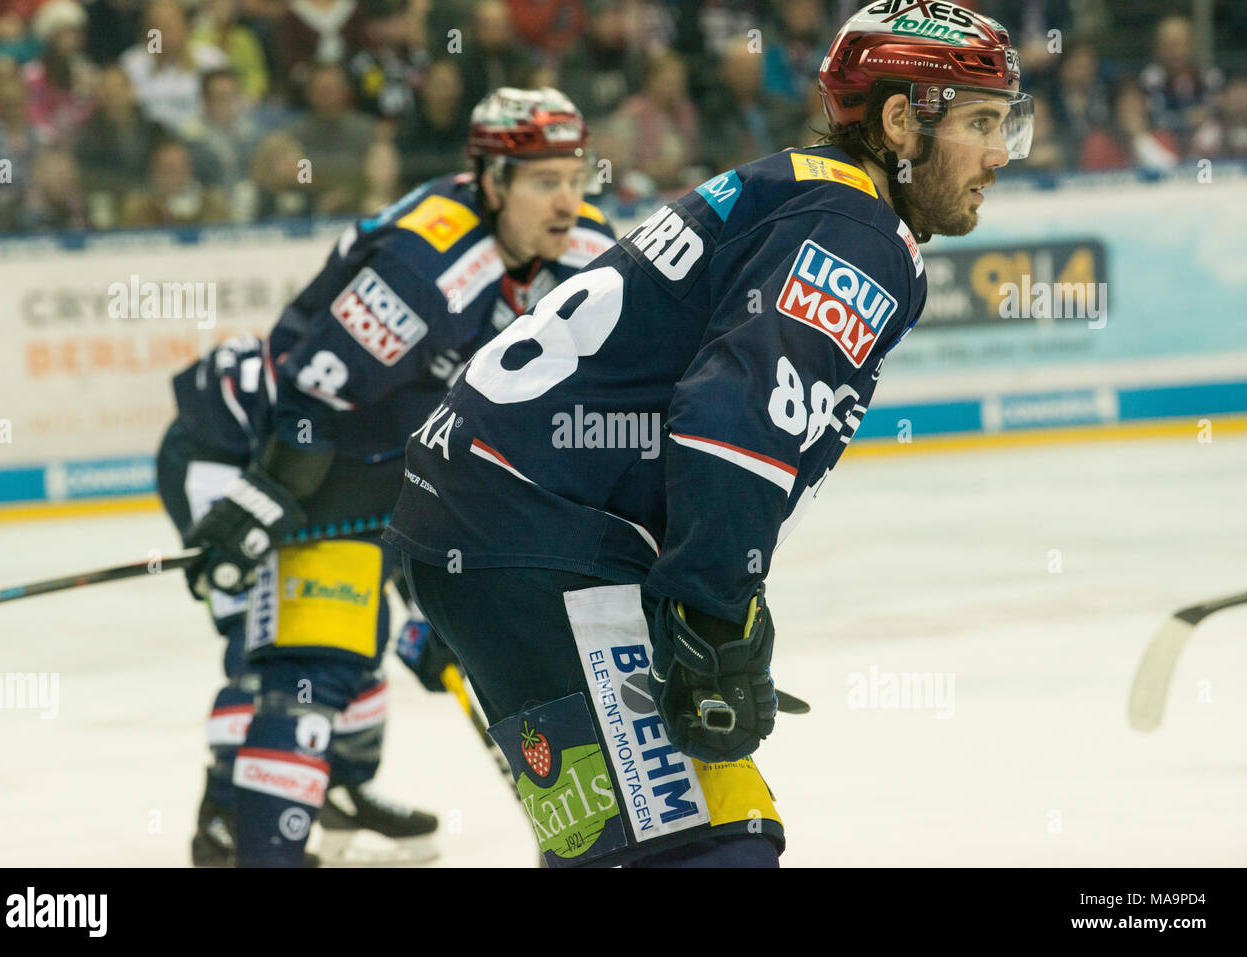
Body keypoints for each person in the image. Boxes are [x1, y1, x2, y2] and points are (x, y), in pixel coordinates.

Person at [384, 0, 1032, 868]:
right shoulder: (853, 231)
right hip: (539, 536)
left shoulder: (800, 190)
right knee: (711, 845)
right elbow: (737, 421)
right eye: (981, 122)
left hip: (491, 518)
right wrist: (709, 614)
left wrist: (715, 594)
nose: (1000, 153)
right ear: (897, 120)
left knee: (631, 838)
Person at [167, 86, 615, 867]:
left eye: (577, 178)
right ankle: (235, 832)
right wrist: (269, 494)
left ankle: (334, 791)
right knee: (308, 650)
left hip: (372, 466)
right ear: (490, 181)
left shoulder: (583, 253)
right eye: (545, 181)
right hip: (256, 451)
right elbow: (314, 394)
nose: (568, 201)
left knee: (383, 632)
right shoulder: (426, 263)